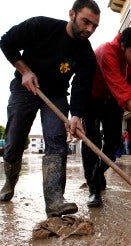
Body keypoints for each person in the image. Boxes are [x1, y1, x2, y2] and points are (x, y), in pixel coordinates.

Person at [0, 0, 101, 218]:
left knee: (56, 138)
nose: (89, 30)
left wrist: (75, 115)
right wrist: (24, 70)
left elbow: (81, 85)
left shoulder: (85, 53)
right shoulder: (40, 26)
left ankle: (55, 200)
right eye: (86, 22)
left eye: (94, 26)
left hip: (55, 95)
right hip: (25, 88)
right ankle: (9, 181)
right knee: (14, 141)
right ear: (72, 14)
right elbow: (6, 42)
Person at [81, 27, 131, 207]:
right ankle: (93, 188)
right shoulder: (106, 52)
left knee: (114, 142)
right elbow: (122, 93)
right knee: (92, 140)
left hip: (112, 102)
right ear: (122, 46)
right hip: (92, 98)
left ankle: (98, 173)